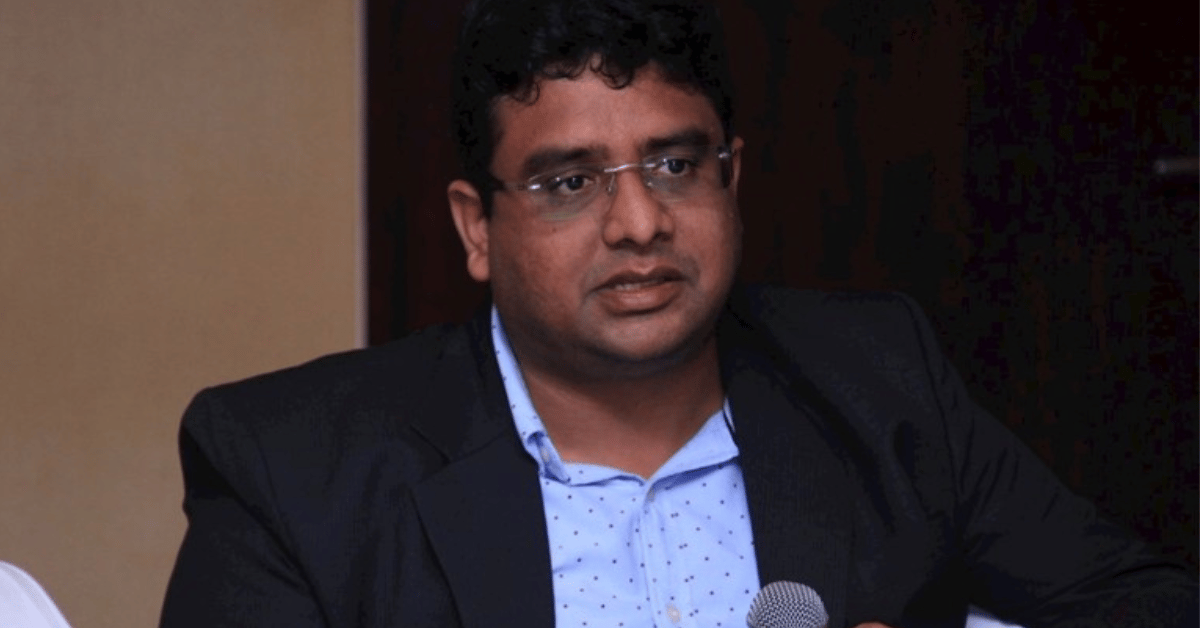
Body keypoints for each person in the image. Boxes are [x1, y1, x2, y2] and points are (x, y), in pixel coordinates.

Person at [159, 0, 1197, 626]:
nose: (640, 222)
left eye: (674, 164)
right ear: (477, 227)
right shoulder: (294, 466)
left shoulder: (878, 378)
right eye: (570, 182)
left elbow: (1147, 602)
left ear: (731, 176)